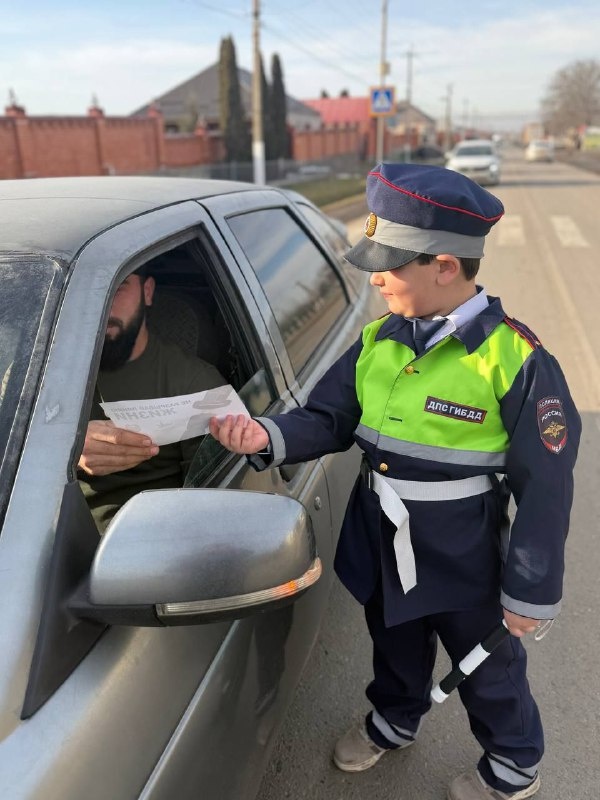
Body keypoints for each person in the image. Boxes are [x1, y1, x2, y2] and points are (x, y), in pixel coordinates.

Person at [209, 163, 581, 800]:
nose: (374, 276)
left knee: (486, 666)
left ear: (444, 266)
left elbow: (546, 487)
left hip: (463, 555)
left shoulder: (515, 360)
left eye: (390, 264)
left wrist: (530, 591)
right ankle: (394, 719)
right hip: (381, 537)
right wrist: (267, 436)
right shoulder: (378, 340)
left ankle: (513, 761)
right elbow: (328, 417)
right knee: (395, 643)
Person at [78, 267, 225, 533]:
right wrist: (68, 449)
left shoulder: (197, 385)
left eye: (118, 285)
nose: (102, 300)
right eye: (90, 287)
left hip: (143, 546)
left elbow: (210, 509)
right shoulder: (36, 372)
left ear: (147, 291)